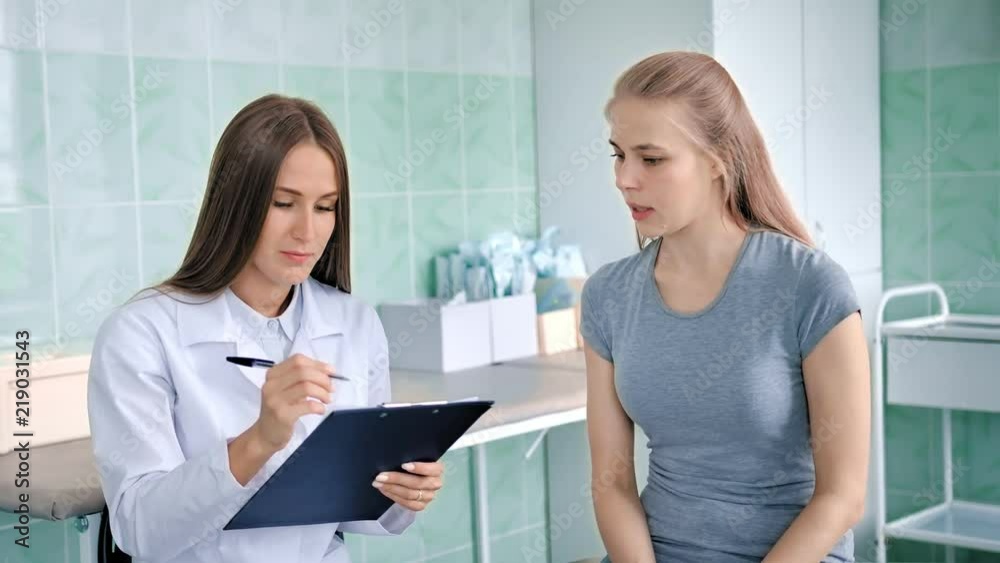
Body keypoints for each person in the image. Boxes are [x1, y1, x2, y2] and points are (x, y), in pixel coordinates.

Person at [87, 94, 444, 563]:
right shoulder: (140, 334)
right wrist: (260, 440)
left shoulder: (355, 323)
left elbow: (348, 513)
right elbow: (139, 528)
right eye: (283, 203)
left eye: (325, 207)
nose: (307, 232)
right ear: (234, 202)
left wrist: (400, 493)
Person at [580, 52, 870, 562]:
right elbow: (612, 483)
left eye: (651, 159)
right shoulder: (607, 295)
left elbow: (841, 498)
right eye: (618, 155)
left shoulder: (809, 285)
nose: (625, 178)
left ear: (719, 159)